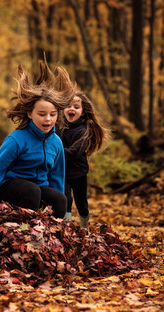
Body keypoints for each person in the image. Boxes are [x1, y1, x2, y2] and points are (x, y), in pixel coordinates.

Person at [0, 62, 77, 221]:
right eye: (42, 114)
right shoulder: (17, 140)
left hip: (38, 189)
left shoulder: (56, 143)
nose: (48, 119)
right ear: (30, 114)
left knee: (59, 198)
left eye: (52, 114)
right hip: (10, 189)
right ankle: (23, 234)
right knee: (31, 190)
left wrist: (58, 205)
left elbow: (57, 178)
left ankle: (51, 234)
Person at [59, 91, 109, 228]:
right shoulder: (59, 127)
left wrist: (54, 152)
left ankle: (84, 226)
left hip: (79, 173)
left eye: (76, 106)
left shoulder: (84, 131)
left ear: (83, 112)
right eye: (68, 105)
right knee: (66, 200)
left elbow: (73, 153)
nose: (71, 109)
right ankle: (67, 228)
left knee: (81, 202)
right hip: (63, 173)